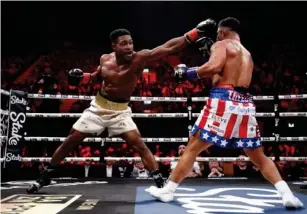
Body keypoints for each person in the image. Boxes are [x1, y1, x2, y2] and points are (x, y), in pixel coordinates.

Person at [27, 19, 217, 193]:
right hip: (98, 108)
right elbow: (95, 78)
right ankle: (45, 177)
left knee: (139, 145)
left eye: (131, 42)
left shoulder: (139, 59)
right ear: (114, 46)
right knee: (71, 139)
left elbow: (167, 48)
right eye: (124, 43)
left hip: (120, 112)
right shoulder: (105, 60)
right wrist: (81, 77)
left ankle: (160, 182)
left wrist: (194, 33)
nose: (129, 47)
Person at [149, 17, 304, 209]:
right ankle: (287, 194)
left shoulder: (222, 44)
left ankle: (168, 191)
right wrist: (209, 59)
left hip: (223, 100)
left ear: (222, 32)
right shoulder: (247, 53)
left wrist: (186, 72)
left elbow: (214, 69)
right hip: (246, 103)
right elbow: (225, 75)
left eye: (217, 35)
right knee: (258, 155)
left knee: (193, 146)